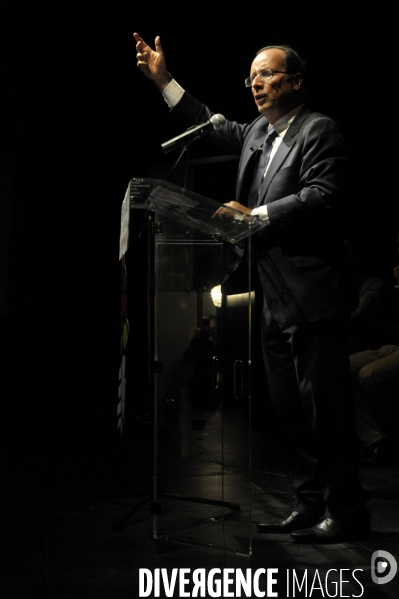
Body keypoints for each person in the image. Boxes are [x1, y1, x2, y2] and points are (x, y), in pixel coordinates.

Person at [133, 33, 370, 543]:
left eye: (266, 74)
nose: (255, 84)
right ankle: (308, 504)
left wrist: (255, 215)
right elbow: (206, 123)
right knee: (287, 409)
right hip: (272, 296)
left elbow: (323, 195)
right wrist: (163, 80)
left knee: (324, 410)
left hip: (315, 295)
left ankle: (348, 509)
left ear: (296, 81)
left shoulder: (318, 130)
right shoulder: (258, 136)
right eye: (251, 77)